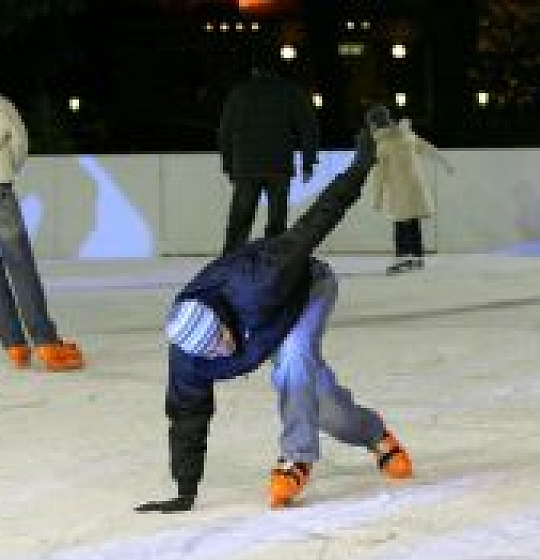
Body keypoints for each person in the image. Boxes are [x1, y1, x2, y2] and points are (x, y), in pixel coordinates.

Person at [135, 129, 412, 513]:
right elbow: (187, 416)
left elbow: (319, 218)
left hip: (305, 289)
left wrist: (360, 165)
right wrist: (185, 489)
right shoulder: (189, 359)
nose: (223, 350)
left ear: (222, 318)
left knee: (295, 354)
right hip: (265, 325)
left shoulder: (260, 280)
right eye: (213, 351)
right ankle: (376, 435)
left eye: (220, 337)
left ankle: (296, 457)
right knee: (329, 413)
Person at [0, 61, 84, 370]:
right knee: (20, 265)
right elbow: (20, 144)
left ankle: (14, 345)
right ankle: (47, 344)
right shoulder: (0, 104)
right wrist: (5, 170)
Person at [217, 57, 319, 255]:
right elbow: (308, 128)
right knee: (277, 221)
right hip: (278, 165)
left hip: (246, 166)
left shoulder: (240, 92)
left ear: (255, 70)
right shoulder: (290, 91)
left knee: (240, 219)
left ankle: (230, 259)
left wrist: (228, 165)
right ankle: (273, 261)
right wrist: (307, 162)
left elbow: (225, 131)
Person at [364, 104, 453, 274]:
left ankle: (404, 258)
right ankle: (417, 258)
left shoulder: (383, 145)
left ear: (375, 124)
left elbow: (379, 176)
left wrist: (376, 199)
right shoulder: (406, 136)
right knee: (412, 222)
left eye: (371, 124)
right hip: (415, 188)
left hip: (399, 192)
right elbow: (427, 147)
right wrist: (444, 162)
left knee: (400, 224)